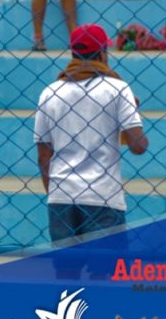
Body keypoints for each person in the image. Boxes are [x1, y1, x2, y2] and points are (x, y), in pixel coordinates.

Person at [35, 24, 148, 253]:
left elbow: (43, 156)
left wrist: (57, 191)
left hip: (61, 197)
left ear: (72, 54)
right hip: (103, 196)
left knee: (67, 275)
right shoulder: (117, 88)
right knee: (104, 273)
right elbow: (138, 146)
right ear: (102, 53)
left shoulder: (50, 92)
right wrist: (130, 117)